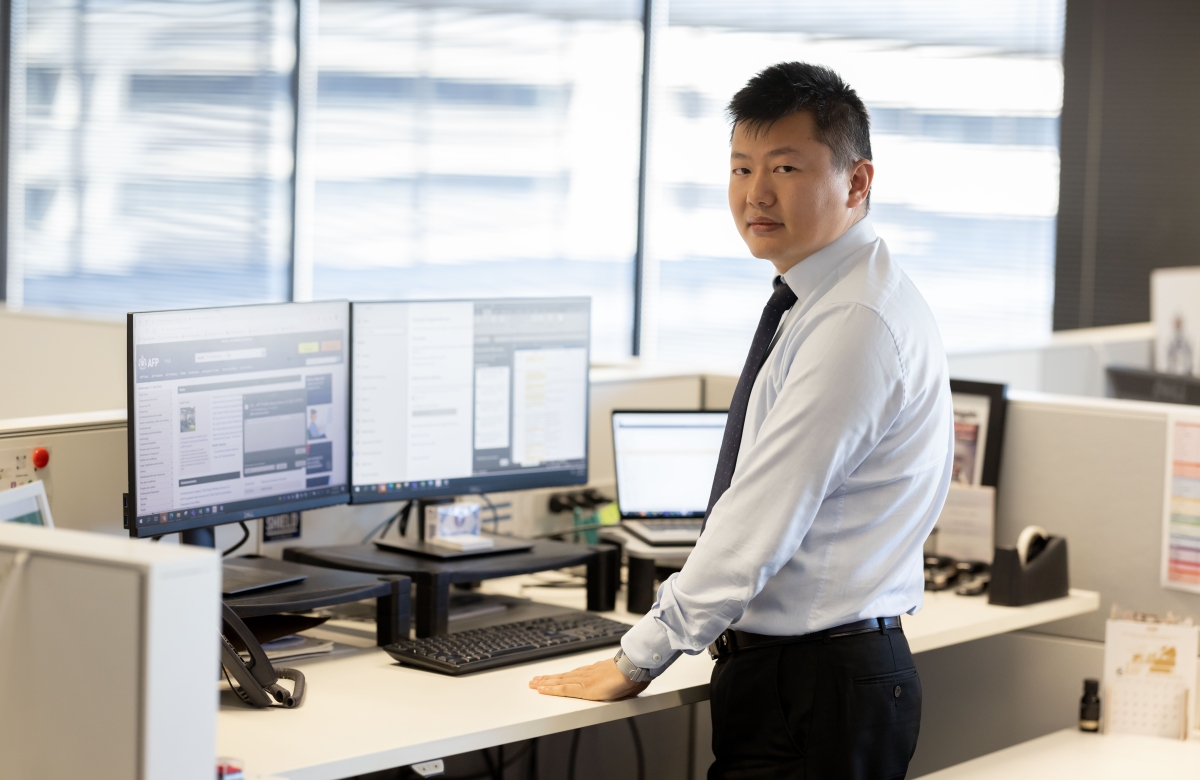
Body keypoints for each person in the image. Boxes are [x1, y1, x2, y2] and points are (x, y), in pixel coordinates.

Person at [530, 61, 953, 779]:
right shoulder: (827, 298)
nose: (756, 193)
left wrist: (638, 657)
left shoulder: (853, 318)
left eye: (786, 167)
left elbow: (762, 514)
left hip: (815, 684)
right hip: (816, 676)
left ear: (857, 183)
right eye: (740, 168)